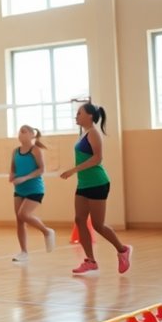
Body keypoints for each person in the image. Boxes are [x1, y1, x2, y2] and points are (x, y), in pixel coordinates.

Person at [60, 102, 132, 274]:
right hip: (84, 184)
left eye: (79, 113)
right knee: (79, 219)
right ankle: (90, 261)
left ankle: (123, 250)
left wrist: (73, 170)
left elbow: (97, 159)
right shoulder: (83, 134)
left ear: (90, 116)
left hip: (98, 183)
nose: (76, 116)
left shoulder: (93, 133)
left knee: (98, 225)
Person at [9, 125, 57, 262]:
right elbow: (13, 168)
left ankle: (47, 231)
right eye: (19, 131)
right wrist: (12, 176)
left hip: (35, 188)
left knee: (23, 214)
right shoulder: (15, 151)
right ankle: (23, 252)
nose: (20, 133)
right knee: (19, 220)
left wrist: (25, 177)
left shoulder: (35, 150)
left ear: (31, 135)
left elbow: (41, 169)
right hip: (19, 189)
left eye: (24, 131)